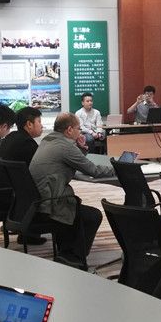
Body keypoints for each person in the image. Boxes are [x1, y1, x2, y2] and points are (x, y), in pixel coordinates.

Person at [29, 113, 115, 269]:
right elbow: (93, 170)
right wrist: (118, 168)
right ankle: (74, 256)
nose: (80, 131)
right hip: (51, 203)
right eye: (78, 128)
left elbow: (73, 160)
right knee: (93, 216)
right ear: (69, 130)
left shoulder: (48, 140)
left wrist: (80, 149)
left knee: (79, 208)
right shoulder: (64, 147)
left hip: (39, 201)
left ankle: (67, 251)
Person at [0, 107, 45, 246]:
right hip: (13, 197)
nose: (42, 126)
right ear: (29, 124)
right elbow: (41, 169)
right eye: (39, 122)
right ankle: (33, 232)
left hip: (1, 193)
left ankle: (27, 231)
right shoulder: (27, 143)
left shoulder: (11, 137)